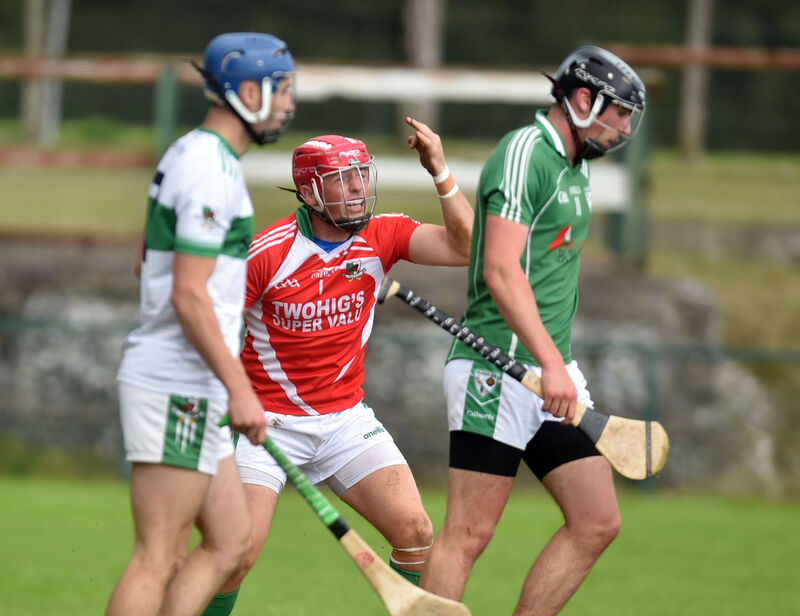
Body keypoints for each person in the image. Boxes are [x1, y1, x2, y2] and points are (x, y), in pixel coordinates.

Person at [203, 117, 474, 615]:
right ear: (308, 191)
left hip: (344, 420)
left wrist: (440, 171)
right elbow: (207, 326)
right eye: (341, 180)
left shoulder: (382, 235)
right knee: (235, 557)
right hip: (269, 425)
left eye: (360, 176)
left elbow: (464, 247)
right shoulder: (265, 254)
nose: (356, 190)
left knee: (415, 532)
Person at [419, 45, 647, 615]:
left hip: (549, 371)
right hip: (498, 370)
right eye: (617, 113)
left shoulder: (578, 167)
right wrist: (547, 362)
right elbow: (498, 268)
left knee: (596, 522)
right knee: (468, 534)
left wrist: (555, 364)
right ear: (581, 99)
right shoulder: (527, 152)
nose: (623, 129)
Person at [107, 32, 296, 616]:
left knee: (230, 542)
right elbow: (188, 295)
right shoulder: (210, 168)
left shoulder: (195, 155)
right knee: (159, 556)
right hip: (177, 385)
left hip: (196, 383)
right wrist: (240, 387)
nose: (290, 104)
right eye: (282, 89)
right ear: (246, 91)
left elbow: (147, 259)